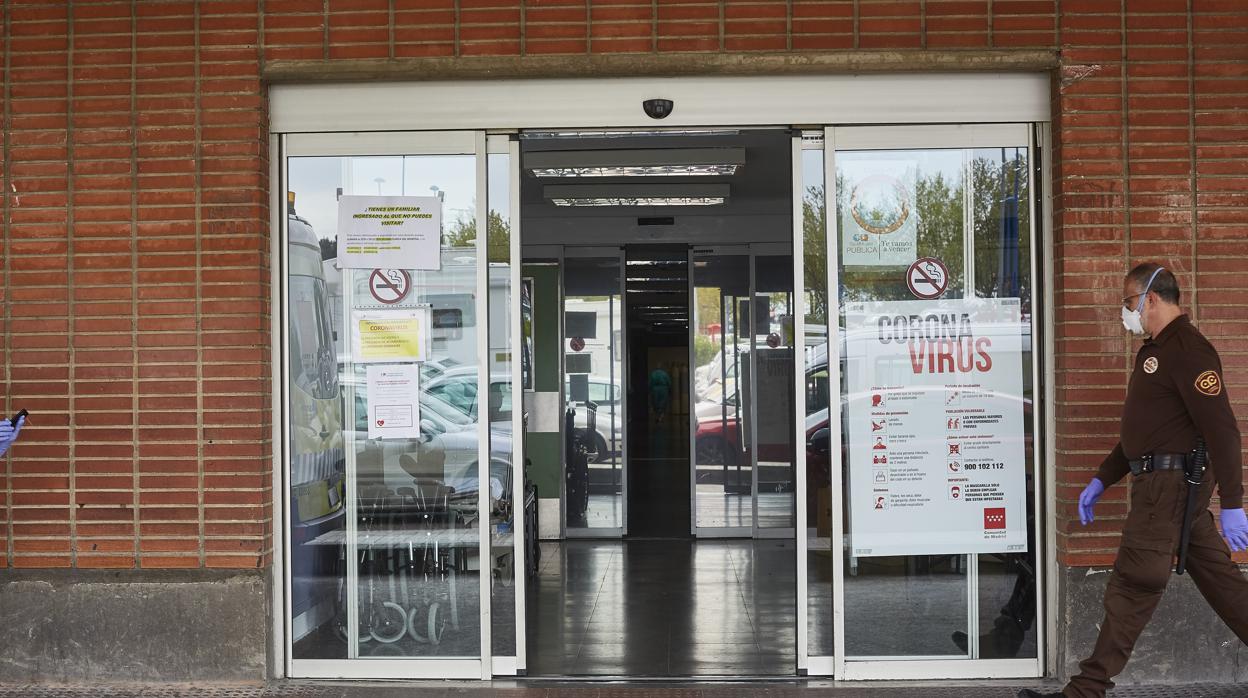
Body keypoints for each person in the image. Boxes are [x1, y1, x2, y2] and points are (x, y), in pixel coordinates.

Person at [1020, 263, 1247, 698]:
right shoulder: (1156, 349)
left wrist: (1234, 503)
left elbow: (1223, 431)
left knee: (1132, 584)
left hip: (1167, 492)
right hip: (1168, 490)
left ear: (1152, 299)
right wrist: (1103, 479)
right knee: (1227, 588)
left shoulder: (1189, 350)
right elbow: (1145, 432)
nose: (1126, 312)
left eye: (1129, 302)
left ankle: (1085, 691)